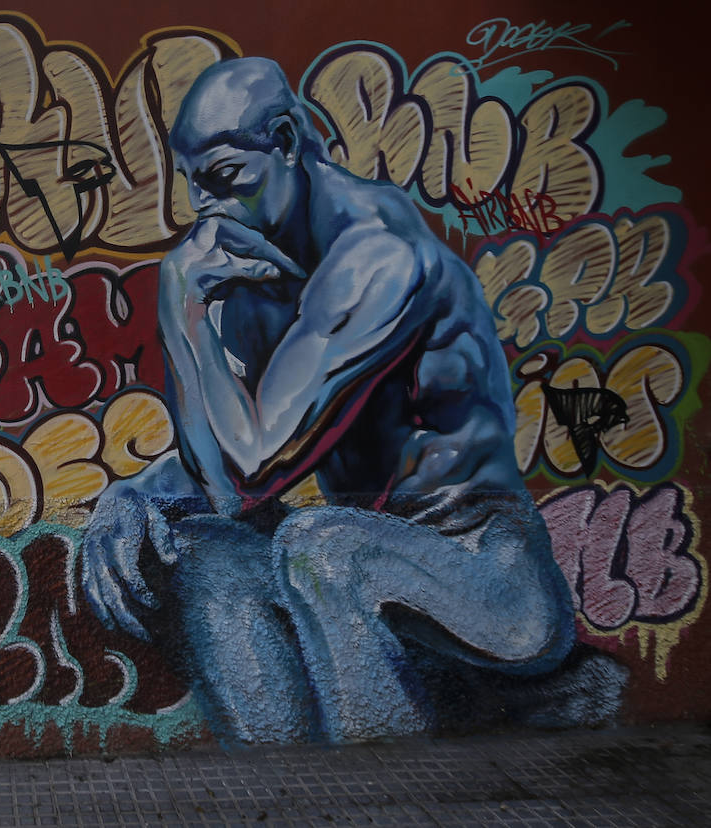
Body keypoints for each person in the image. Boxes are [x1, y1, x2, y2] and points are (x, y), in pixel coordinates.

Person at [79, 57, 580, 743]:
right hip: (370, 563)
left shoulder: (380, 258)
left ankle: (377, 796)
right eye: (196, 188)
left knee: (322, 546)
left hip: (490, 580)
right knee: (203, 554)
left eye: (226, 178)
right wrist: (132, 494)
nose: (207, 210)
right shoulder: (261, 278)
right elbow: (227, 485)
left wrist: (181, 304)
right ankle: (276, 791)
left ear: (285, 141)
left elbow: (254, 466)